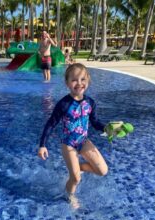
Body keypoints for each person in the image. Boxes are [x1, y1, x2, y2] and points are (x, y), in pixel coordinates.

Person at [38, 63, 108, 209]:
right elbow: (51, 124)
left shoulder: (90, 103)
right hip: (68, 143)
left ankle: (77, 167)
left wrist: (107, 128)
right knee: (75, 178)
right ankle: (69, 196)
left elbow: (94, 122)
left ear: (88, 81)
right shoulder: (63, 104)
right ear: (67, 83)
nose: (79, 83)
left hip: (83, 141)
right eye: (74, 80)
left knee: (102, 171)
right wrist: (42, 145)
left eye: (83, 79)